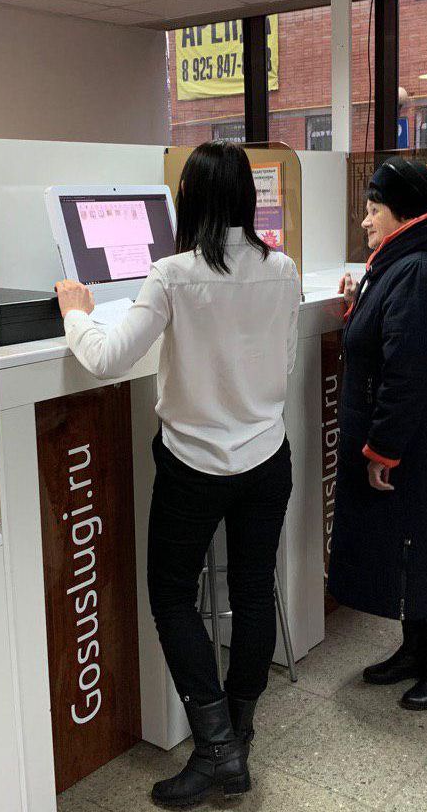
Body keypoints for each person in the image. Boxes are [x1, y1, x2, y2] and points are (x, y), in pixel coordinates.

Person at [54, 141, 301, 808]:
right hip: (266, 456)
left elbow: (106, 358)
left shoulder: (171, 274)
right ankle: (237, 737)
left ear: (188, 200)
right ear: (246, 197)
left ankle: (219, 750)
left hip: (194, 464)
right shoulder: (283, 269)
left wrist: (75, 309)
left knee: (171, 593)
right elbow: (281, 362)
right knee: (253, 586)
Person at [328, 157, 427, 711]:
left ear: (403, 213)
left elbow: (406, 371)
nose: (365, 221)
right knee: (409, 542)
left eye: (374, 210)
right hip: (421, 435)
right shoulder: (409, 262)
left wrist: (383, 449)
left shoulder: (417, 270)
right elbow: (389, 337)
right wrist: (359, 307)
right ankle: (417, 648)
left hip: (417, 442)